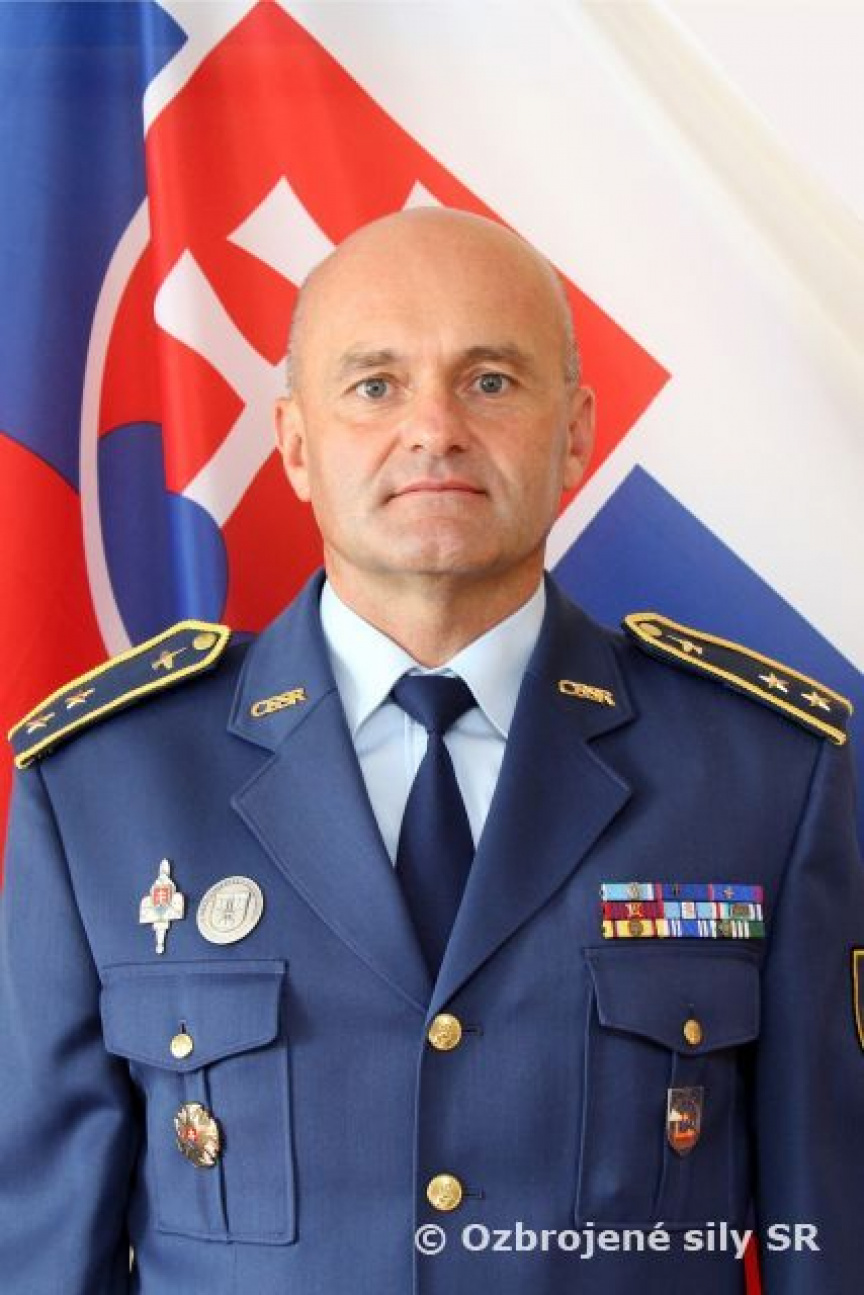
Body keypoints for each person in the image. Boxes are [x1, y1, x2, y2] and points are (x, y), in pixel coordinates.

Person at [0, 207, 861, 1295]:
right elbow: (42, 1251)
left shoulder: (762, 772)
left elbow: (829, 1236)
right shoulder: (106, 783)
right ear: (296, 444)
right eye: (375, 385)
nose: (435, 429)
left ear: (577, 434)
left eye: (491, 380)